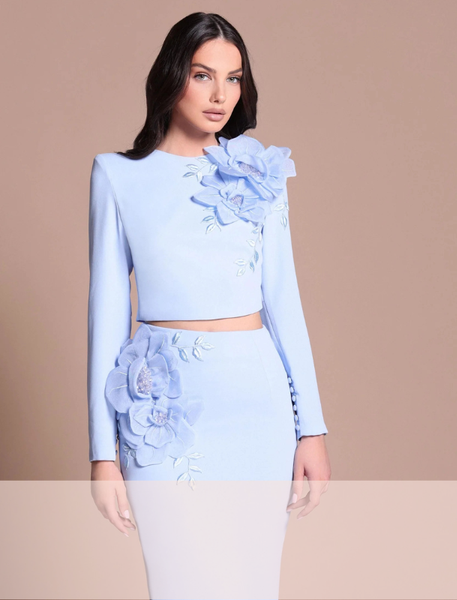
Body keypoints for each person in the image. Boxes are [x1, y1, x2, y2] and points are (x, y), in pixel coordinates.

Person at [87, 11, 331, 600]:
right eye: (203, 75)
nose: (221, 94)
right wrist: (101, 454)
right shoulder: (117, 176)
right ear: (173, 76)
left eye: (233, 78)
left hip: (257, 408)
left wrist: (312, 429)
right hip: (161, 411)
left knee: (251, 585)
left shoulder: (261, 174)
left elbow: (285, 302)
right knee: (178, 584)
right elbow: (106, 319)